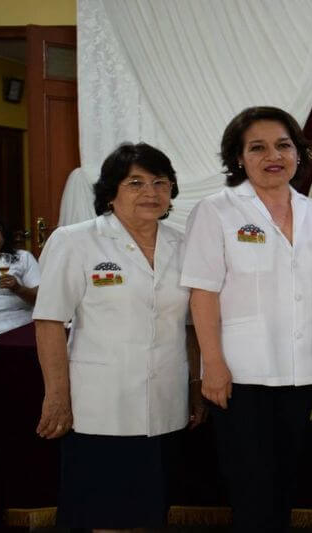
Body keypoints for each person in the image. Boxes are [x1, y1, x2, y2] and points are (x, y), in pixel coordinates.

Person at [32, 142, 205, 530]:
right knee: (104, 514)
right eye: (136, 183)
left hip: (165, 403)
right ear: (110, 192)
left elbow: (191, 325)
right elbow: (48, 322)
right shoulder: (74, 240)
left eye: (161, 182)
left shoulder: (184, 243)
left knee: (151, 512)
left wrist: (195, 384)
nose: (151, 192)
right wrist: (57, 395)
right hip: (100, 406)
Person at [181, 106, 312, 531]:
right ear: (238, 157)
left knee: (286, 480)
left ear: (298, 153)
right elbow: (203, 292)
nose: (274, 155)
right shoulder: (216, 210)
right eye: (258, 147)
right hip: (239, 373)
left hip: (302, 370)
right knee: (249, 483)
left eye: (283, 145)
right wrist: (212, 364)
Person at [0, 214, 39, 337]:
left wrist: (18, 288)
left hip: (17, 328)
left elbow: (41, 299)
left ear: (4, 235)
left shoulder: (22, 258)